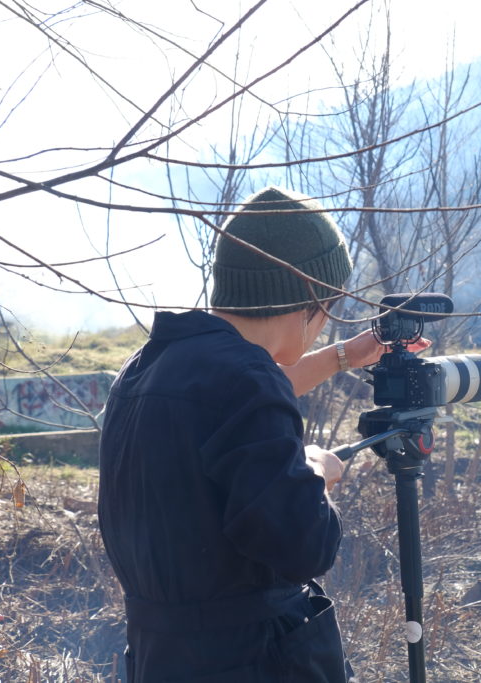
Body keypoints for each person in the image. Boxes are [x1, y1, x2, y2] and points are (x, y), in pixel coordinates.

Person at [98, 186, 423, 682]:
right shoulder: (245, 380)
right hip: (248, 659)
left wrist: (344, 356)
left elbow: (229, 403)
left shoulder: (151, 364)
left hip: (159, 656)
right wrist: (316, 476)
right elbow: (303, 547)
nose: (324, 324)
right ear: (309, 299)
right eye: (330, 306)